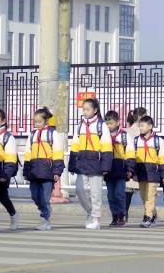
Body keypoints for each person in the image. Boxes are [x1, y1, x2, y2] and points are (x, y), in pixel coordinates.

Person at [69, 98, 113, 229]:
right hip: (82, 162)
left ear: (95, 110)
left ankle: (96, 219)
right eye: (84, 109)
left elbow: (107, 147)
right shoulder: (80, 125)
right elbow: (75, 145)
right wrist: (72, 164)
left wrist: (105, 166)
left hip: (96, 163)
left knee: (96, 193)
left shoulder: (101, 125)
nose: (85, 111)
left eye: (88, 109)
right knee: (79, 189)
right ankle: (90, 211)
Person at [23, 107, 65, 231]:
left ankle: (45, 219)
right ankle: (45, 210)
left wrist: (57, 171)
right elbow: (27, 153)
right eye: (35, 121)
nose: (36, 124)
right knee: (35, 196)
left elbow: (58, 153)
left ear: (46, 121)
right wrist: (26, 170)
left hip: (48, 172)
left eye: (39, 121)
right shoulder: (32, 135)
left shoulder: (53, 134)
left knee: (45, 198)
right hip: (34, 172)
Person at [133, 115, 164, 228]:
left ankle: (147, 218)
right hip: (141, 171)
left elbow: (163, 159)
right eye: (140, 126)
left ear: (150, 126)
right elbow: (132, 158)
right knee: (143, 196)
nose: (140, 128)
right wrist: (133, 173)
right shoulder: (136, 141)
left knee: (150, 196)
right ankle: (153, 214)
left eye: (142, 125)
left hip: (153, 172)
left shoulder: (159, 141)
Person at [104, 111, 135, 227]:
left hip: (121, 169)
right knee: (110, 195)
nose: (109, 126)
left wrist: (130, 169)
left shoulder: (124, 136)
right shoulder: (103, 136)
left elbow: (130, 153)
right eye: (107, 123)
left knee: (119, 194)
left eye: (111, 123)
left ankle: (122, 215)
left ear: (117, 123)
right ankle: (114, 216)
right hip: (108, 169)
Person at [124, 107, 147, 222]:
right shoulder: (128, 131)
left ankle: (148, 215)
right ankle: (124, 214)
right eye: (144, 116)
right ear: (138, 117)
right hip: (132, 163)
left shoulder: (147, 131)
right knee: (128, 191)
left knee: (146, 192)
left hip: (144, 164)